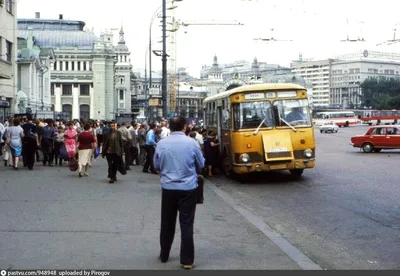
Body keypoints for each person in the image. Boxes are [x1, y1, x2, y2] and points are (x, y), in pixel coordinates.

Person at [153, 116, 205, 270]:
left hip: (168, 188)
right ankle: (187, 260)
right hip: (188, 188)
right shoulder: (192, 143)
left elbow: (156, 165)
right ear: (184, 127)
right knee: (187, 224)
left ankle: (164, 254)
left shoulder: (161, 143)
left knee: (167, 222)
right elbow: (201, 164)